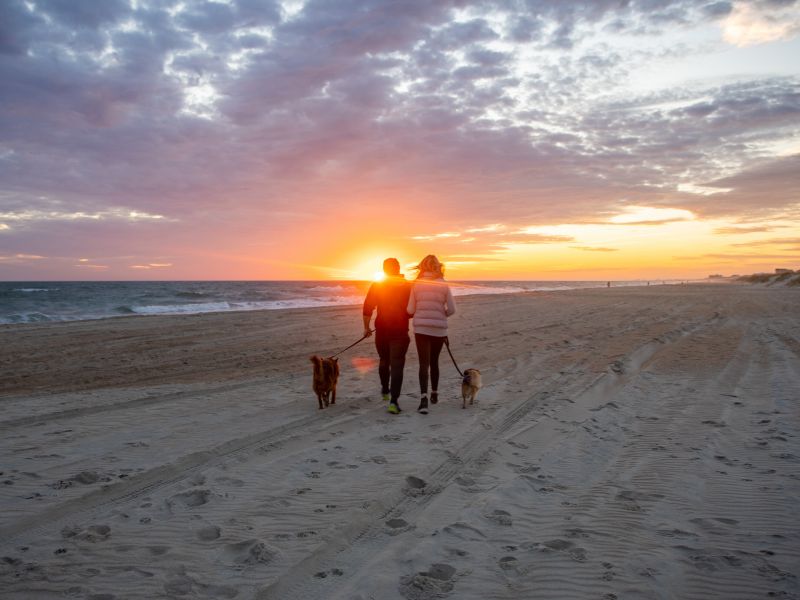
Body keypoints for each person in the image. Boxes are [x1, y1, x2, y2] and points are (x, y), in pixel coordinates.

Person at [407, 254, 456, 415]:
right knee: (434, 362)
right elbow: (452, 309)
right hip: (438, 329)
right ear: (437, 266)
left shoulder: (417, 284)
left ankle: (423, 400)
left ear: (422, 267)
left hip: (421, 329)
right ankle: (434, 393)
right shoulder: (443, 284)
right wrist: (441, 315)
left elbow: (410, 310)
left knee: (424, 364)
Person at [362, 258, 412, 414]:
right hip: (399, 331)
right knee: (397, 365)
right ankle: (393, 402)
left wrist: (366, 328)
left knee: (384, 360)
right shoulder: (408, 286)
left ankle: (385, 389)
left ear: (384, 270)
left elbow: (367, 308)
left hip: (382, 330)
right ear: (398, 269)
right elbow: (412, 310)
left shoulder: (378, 285)